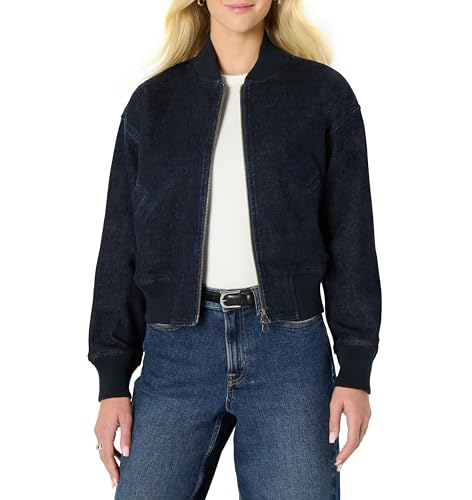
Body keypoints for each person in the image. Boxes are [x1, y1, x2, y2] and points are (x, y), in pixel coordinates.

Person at [88, 0, 382, 498]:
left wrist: (356, 369)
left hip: (290, 354)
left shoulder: (323, 96)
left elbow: (351, 236)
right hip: (175, 353)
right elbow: (121, 243)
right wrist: (112, 379)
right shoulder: (153, 104)